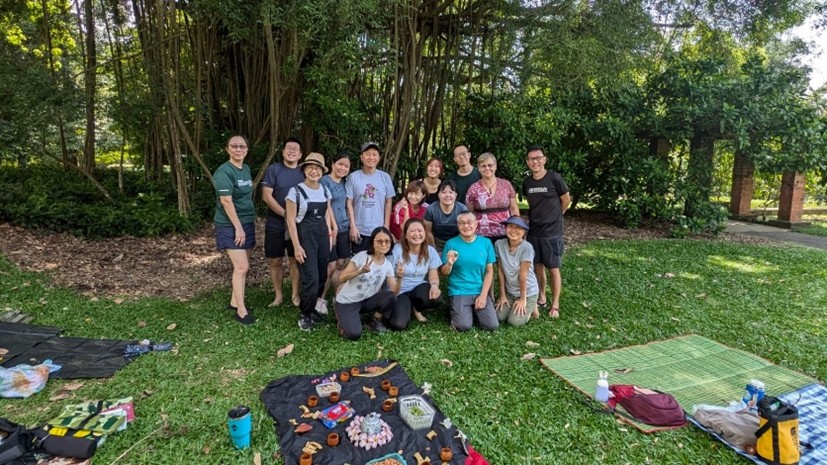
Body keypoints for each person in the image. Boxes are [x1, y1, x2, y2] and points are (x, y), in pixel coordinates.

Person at [285, 153, 337, 331]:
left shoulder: (324, 190)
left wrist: (331, 234)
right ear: (304, 170)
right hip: (304, 236)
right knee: (311, 278)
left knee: (322, 275)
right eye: (310, 168)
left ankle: (313, 309)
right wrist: (297, 246)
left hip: (322, 235)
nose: (314, 171)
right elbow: (291, 221)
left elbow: (327, 214)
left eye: (317, 168)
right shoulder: (295, 192)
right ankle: (305, 314)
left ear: (322, 171)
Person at [522, 145, 570, 319]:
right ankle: (542, 297)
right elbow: (530, 203)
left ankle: (555, 304)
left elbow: (566, 200)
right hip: (534, 231)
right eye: (531, 159)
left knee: (554, 268)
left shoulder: (554, 178)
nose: (535, 161)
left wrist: (558, 215)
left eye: (538, 158)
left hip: (553, 232)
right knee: (538, 266)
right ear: (528, 162)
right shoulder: (527, 183)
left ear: (544, 159)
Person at [212, 135, 256, 325]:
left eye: (242, 146)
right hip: (230, 225)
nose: (239, 149)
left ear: (246, 149)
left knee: (243, 265)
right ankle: (241, 310)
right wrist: (238, 228)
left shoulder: (245, 169)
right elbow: (226, 201)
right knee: (241, 267)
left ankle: (234, 301)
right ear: (227, 149)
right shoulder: (224, 172)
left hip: (247, 222)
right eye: (234, 146)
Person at [333, 227, 402, 340]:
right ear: (372, 243)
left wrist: (399, 278)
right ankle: (340, 317)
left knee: (391, 297)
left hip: (366, 300)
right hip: (347, 302)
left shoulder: (387, 265)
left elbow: (395, 291)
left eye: (387, 241)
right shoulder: (362, 256)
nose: (384, 244)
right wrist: (359, 271)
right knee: (354, 334)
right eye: (379, 241)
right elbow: (342, 277)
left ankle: (374, 321)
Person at [262, 137, 305, 307]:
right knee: (275, 260)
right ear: (283, 151)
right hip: (276, 221)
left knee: (295, 259)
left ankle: (295, 295)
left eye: (295, 149)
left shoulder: (303, 172)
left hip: (298, 222)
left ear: (300, 154)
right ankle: (278, 295)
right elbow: (266, 196)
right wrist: (286, 214)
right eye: (289, 148)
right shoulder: (274, 169)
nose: (292, 151)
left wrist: (294, 217)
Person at [439, 212, 498, 332]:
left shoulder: (486, 243)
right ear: (458, 225)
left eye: (469, 222)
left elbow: (489, 272)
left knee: (492, 325)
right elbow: (444, 273)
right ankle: (459, 310)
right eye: (462, 223)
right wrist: (450, 263)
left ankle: (469, 311)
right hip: (459, 290)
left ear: (476, 224)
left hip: (479, 290)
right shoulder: (451, 244)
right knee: (463, 326)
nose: (466, 226)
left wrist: (483, 295)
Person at [346, 142, 395, 254]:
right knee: (359, 262)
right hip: (359, 229)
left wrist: (386, 226)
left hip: (379, 229)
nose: (371, 157)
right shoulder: (353, 177)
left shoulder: (385, 177)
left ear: (378, 158)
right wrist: (353, 227)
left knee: (378, 262)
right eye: (368, 154)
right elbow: (349, 203)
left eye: (374, 154)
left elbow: (388, 202)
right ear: (361, 157)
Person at [318, 151, 352, 315]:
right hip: (330, 230)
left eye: (346, 166)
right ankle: (321, 298)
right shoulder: (324, 181)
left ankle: (337, 296)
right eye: (340, 164)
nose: (342, 168)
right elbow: (327, 205)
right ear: (332, 164)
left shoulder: (345, 183)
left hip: (345, 228)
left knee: (341, 264)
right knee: (330, 266)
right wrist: (333, 228)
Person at [391, 219, 442, 324]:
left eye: (420, 231)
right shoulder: (397, 250)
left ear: (425, 233)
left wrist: (434, 286)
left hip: (418, 287)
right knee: (398, 324)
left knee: (436, 298)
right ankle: (407, 305)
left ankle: (416, 309)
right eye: (412, 231)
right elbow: (389, 276)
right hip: (400, 290)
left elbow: (433, 276)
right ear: (405, 235)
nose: (417, 234)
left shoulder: (430, 251)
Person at [465, 152, 520, 244]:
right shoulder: (473, 189)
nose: (487, 168)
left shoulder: (506, 185)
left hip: (505, 231)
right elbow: (470, 213)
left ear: (495, 166)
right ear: (479, 168)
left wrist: (517, 227)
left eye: (490, 165)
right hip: (481, 234)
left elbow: (513, 208)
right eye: (483, 166)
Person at [494, 216, 539, 327]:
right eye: (510, 227)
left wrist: (523, 299)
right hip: (510, 292)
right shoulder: (499, 244)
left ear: (524, 232)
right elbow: (500, 271)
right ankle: (517, 303)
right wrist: (503, 295)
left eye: (518, 228)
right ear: (505, 228)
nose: (513, 231)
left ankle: (532, 304)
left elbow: (523, 275)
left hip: (528, 291)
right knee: (499, 317)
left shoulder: (527, 247)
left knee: (514, 322)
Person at [423, 180, 467, 253]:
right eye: (443, 192)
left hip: (457, 241)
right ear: (438, 194)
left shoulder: (462, 209)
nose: (447, 195)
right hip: (437, 242)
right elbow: (428, 232)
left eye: (451, 192)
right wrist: (434, 251)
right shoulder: (431, 209)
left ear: (455, 195)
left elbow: (464, 231)